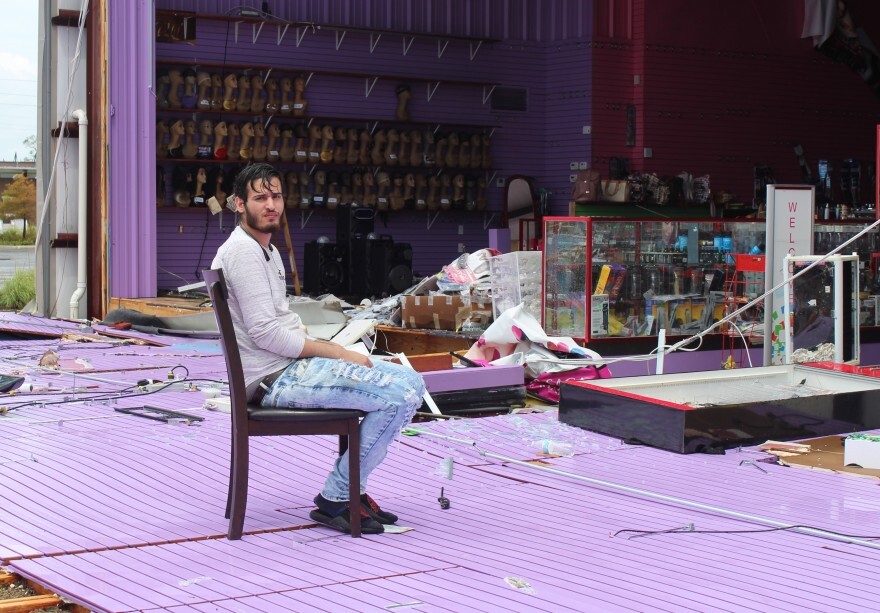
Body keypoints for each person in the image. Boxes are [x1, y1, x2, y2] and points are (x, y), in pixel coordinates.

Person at [212, 163, 425, 535]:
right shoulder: (243, 253)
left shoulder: (265, 250)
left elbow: (277, 322)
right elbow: (266, 335)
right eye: (259, 197)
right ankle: (338, 496)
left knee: (410, 380)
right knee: (399, 395)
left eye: (275, 195)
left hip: (286, 368)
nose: (271, 204)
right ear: (239, 205)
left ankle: (347, 491)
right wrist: (337, 352)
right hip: (273, 378)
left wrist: (315, 341)